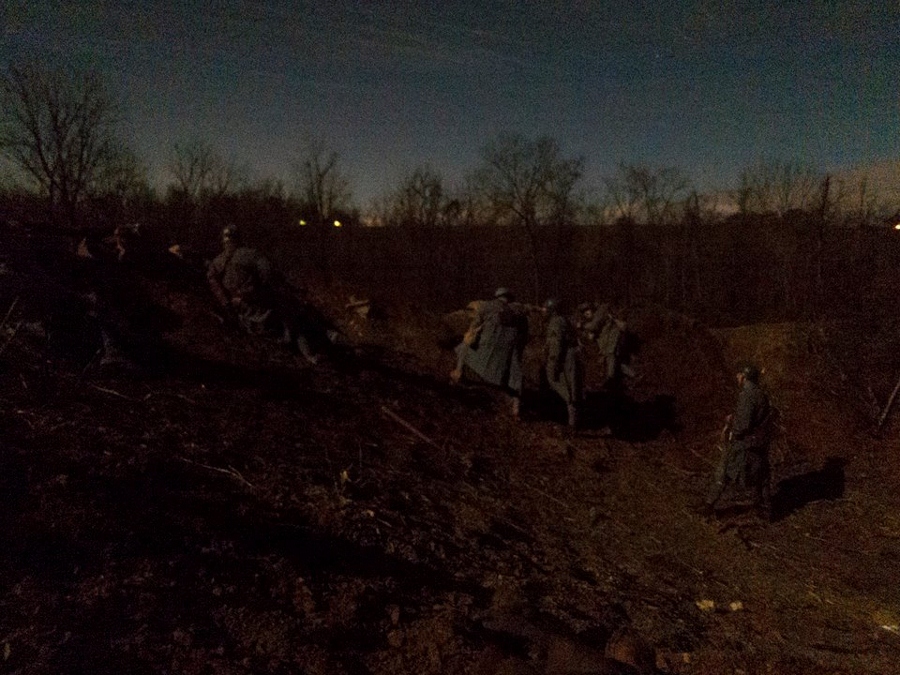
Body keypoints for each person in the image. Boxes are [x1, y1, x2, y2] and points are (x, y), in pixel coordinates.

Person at [206, 225, 324, 364]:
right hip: (258, 311)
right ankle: (311, 355)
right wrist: (257, 293)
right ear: (239, 238)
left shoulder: (217, 262)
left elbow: (212, 280)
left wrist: (226, 302)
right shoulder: (252, 255)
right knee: (295, 318)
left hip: (237, 312)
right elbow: (269, 276)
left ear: (224, 240)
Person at [704, 364, 773, 517]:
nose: (737, 377)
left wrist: (731, 429)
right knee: (761, 477)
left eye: (739, 374)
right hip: (759, 443)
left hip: (744, 444)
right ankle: (765, 510)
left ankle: (709, 506)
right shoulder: (761, 394)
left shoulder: (747, 395)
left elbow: (743, 425)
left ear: (744, 376)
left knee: (723, 472)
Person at [450, 287, 529, 417]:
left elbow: (473, 328)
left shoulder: (486, 307)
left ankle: (458, 374)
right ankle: (515, 403)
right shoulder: (520, 314)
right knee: (516, 371)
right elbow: (523, 339)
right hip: (506, 357)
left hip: (484, 351)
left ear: (497, 296)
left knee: (464, 346)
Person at [542, 298, 583, 427]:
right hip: (571, 356)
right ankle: (573, 421)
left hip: (565, 357)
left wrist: (554, 363)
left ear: (552, 311)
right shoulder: (564, 320)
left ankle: (573, 424)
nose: (543, 312)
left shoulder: (555, 322)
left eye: (545, 309)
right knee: (572, 387)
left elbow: (556, 345)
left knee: (564, 386)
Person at [578, 302, 634, 386]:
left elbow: (594, 326)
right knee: (616, 363)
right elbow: (591, 337)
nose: (586, 313)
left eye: (587, 310)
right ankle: (634, 375)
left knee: (610, 357)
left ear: (592, 309)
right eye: (583, 312)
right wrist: (584, 332)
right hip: (607, 344)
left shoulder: (599, 314)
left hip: (612, 340)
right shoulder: (592, 321)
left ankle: (610, 380)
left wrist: (582, 326)